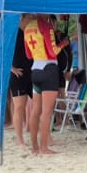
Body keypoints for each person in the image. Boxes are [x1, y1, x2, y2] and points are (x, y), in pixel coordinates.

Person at [23, 13, 62, 156]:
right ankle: (44, 148)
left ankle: (35, 147)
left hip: (35, 69)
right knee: (47, 113)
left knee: (35, 111)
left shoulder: (28, 28)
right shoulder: (47, 26)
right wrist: (63, 43)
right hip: (49, 69)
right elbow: (53, 51)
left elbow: (28, 55)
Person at [7, 26, 32, 150]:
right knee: (19, 107)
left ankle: (32, 131)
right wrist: (11, 68)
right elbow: (2, 49)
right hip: (18, 73)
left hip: (31, 71)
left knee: (35, 105)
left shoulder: (31, 29)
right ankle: (20, 140)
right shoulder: (13, 31)